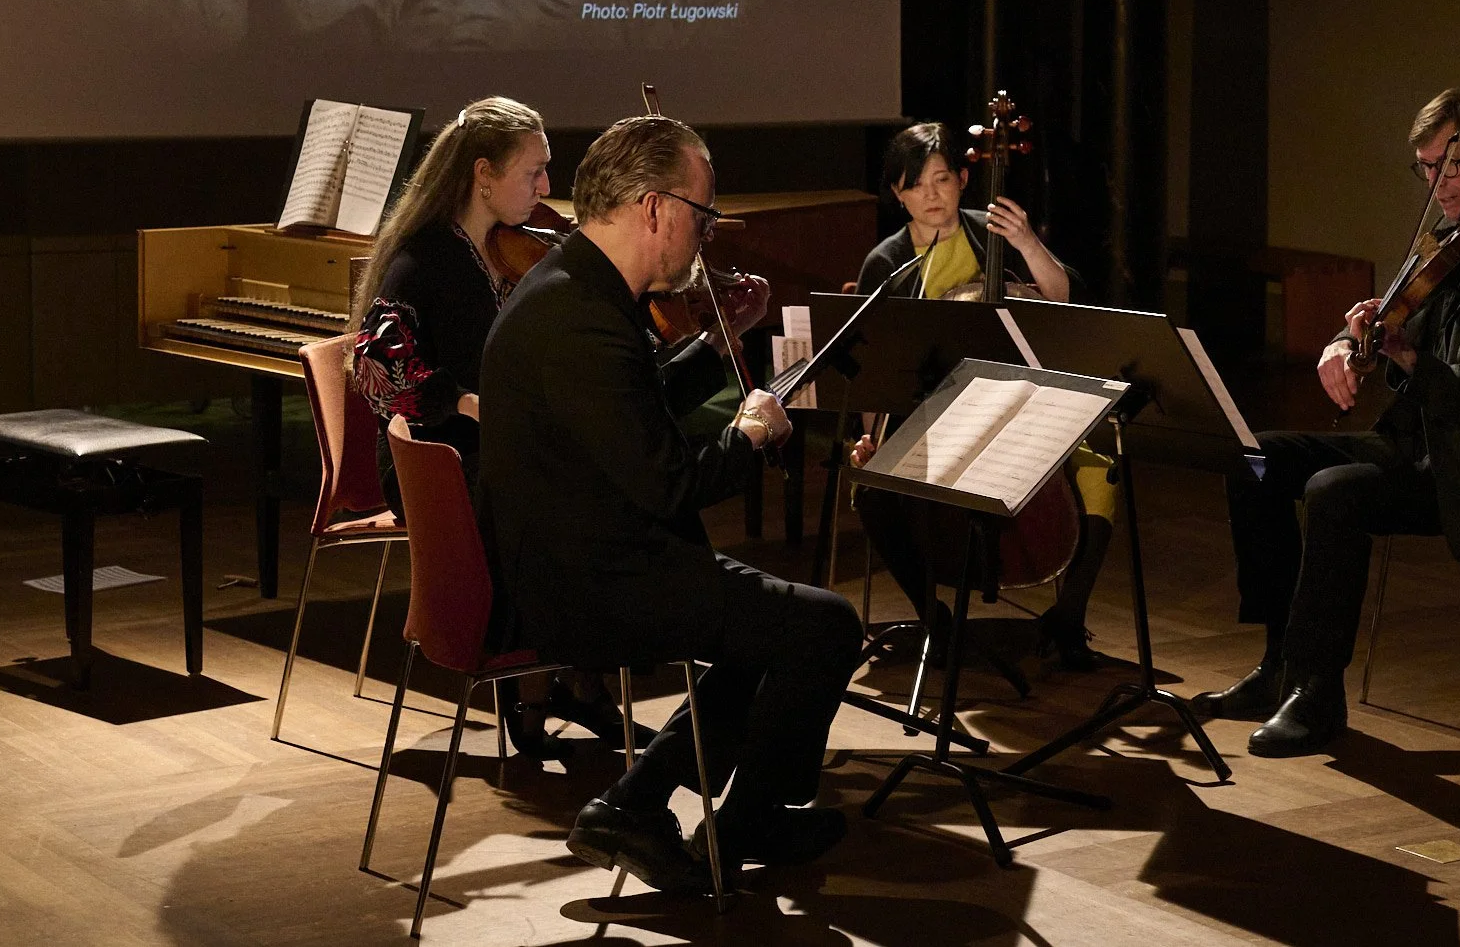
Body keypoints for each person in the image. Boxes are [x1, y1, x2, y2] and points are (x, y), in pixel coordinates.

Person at [478, 115, 863, 894]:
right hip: (586, 585)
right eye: (704, 212)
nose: (707, 232)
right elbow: (669, 485)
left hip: (588, 555)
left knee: (775, 628)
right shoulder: (579, 316)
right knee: (823, 625)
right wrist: (751, 436)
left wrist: (714, 351)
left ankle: (640, 801)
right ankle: (739, 815)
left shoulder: (574, 289)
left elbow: (632, 408)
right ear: (656, 208)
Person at [1196, 88, 1460, 757]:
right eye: (1426, 168)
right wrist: (1347, 345)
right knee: (1253, 457)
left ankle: (1317, 693)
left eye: (1450, 165)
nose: (1437, 184)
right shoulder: (1449, 245)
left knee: (1334, 492)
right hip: (1421, 449)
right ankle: (1280, 665)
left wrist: (1404, 351)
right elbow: (1391, 326)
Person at [348, 96, 633, 761]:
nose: (544, 189)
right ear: (482, 173)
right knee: (561, 502)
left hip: (482, 447)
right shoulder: (429, 255)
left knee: (581, 481)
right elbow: (375, 366)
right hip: (437, 461)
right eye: (533, 172)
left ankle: (562, 677)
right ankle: (555, 678)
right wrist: (466, 400)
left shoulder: (493, 248)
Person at [852, 122, 1115, 669]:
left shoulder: (992, 234)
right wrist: (867, 434)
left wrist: (1026, 241)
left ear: (964, 179)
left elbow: (1063, 297)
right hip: (933, 418)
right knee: (870, 490)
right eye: (914, 185)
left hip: (1021, 411)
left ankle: (1068, 620)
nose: (931, 195)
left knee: (1097, 473)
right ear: (896, 194)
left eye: (943, 179)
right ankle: (937, 622)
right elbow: (874, 367)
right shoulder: (886, 262)